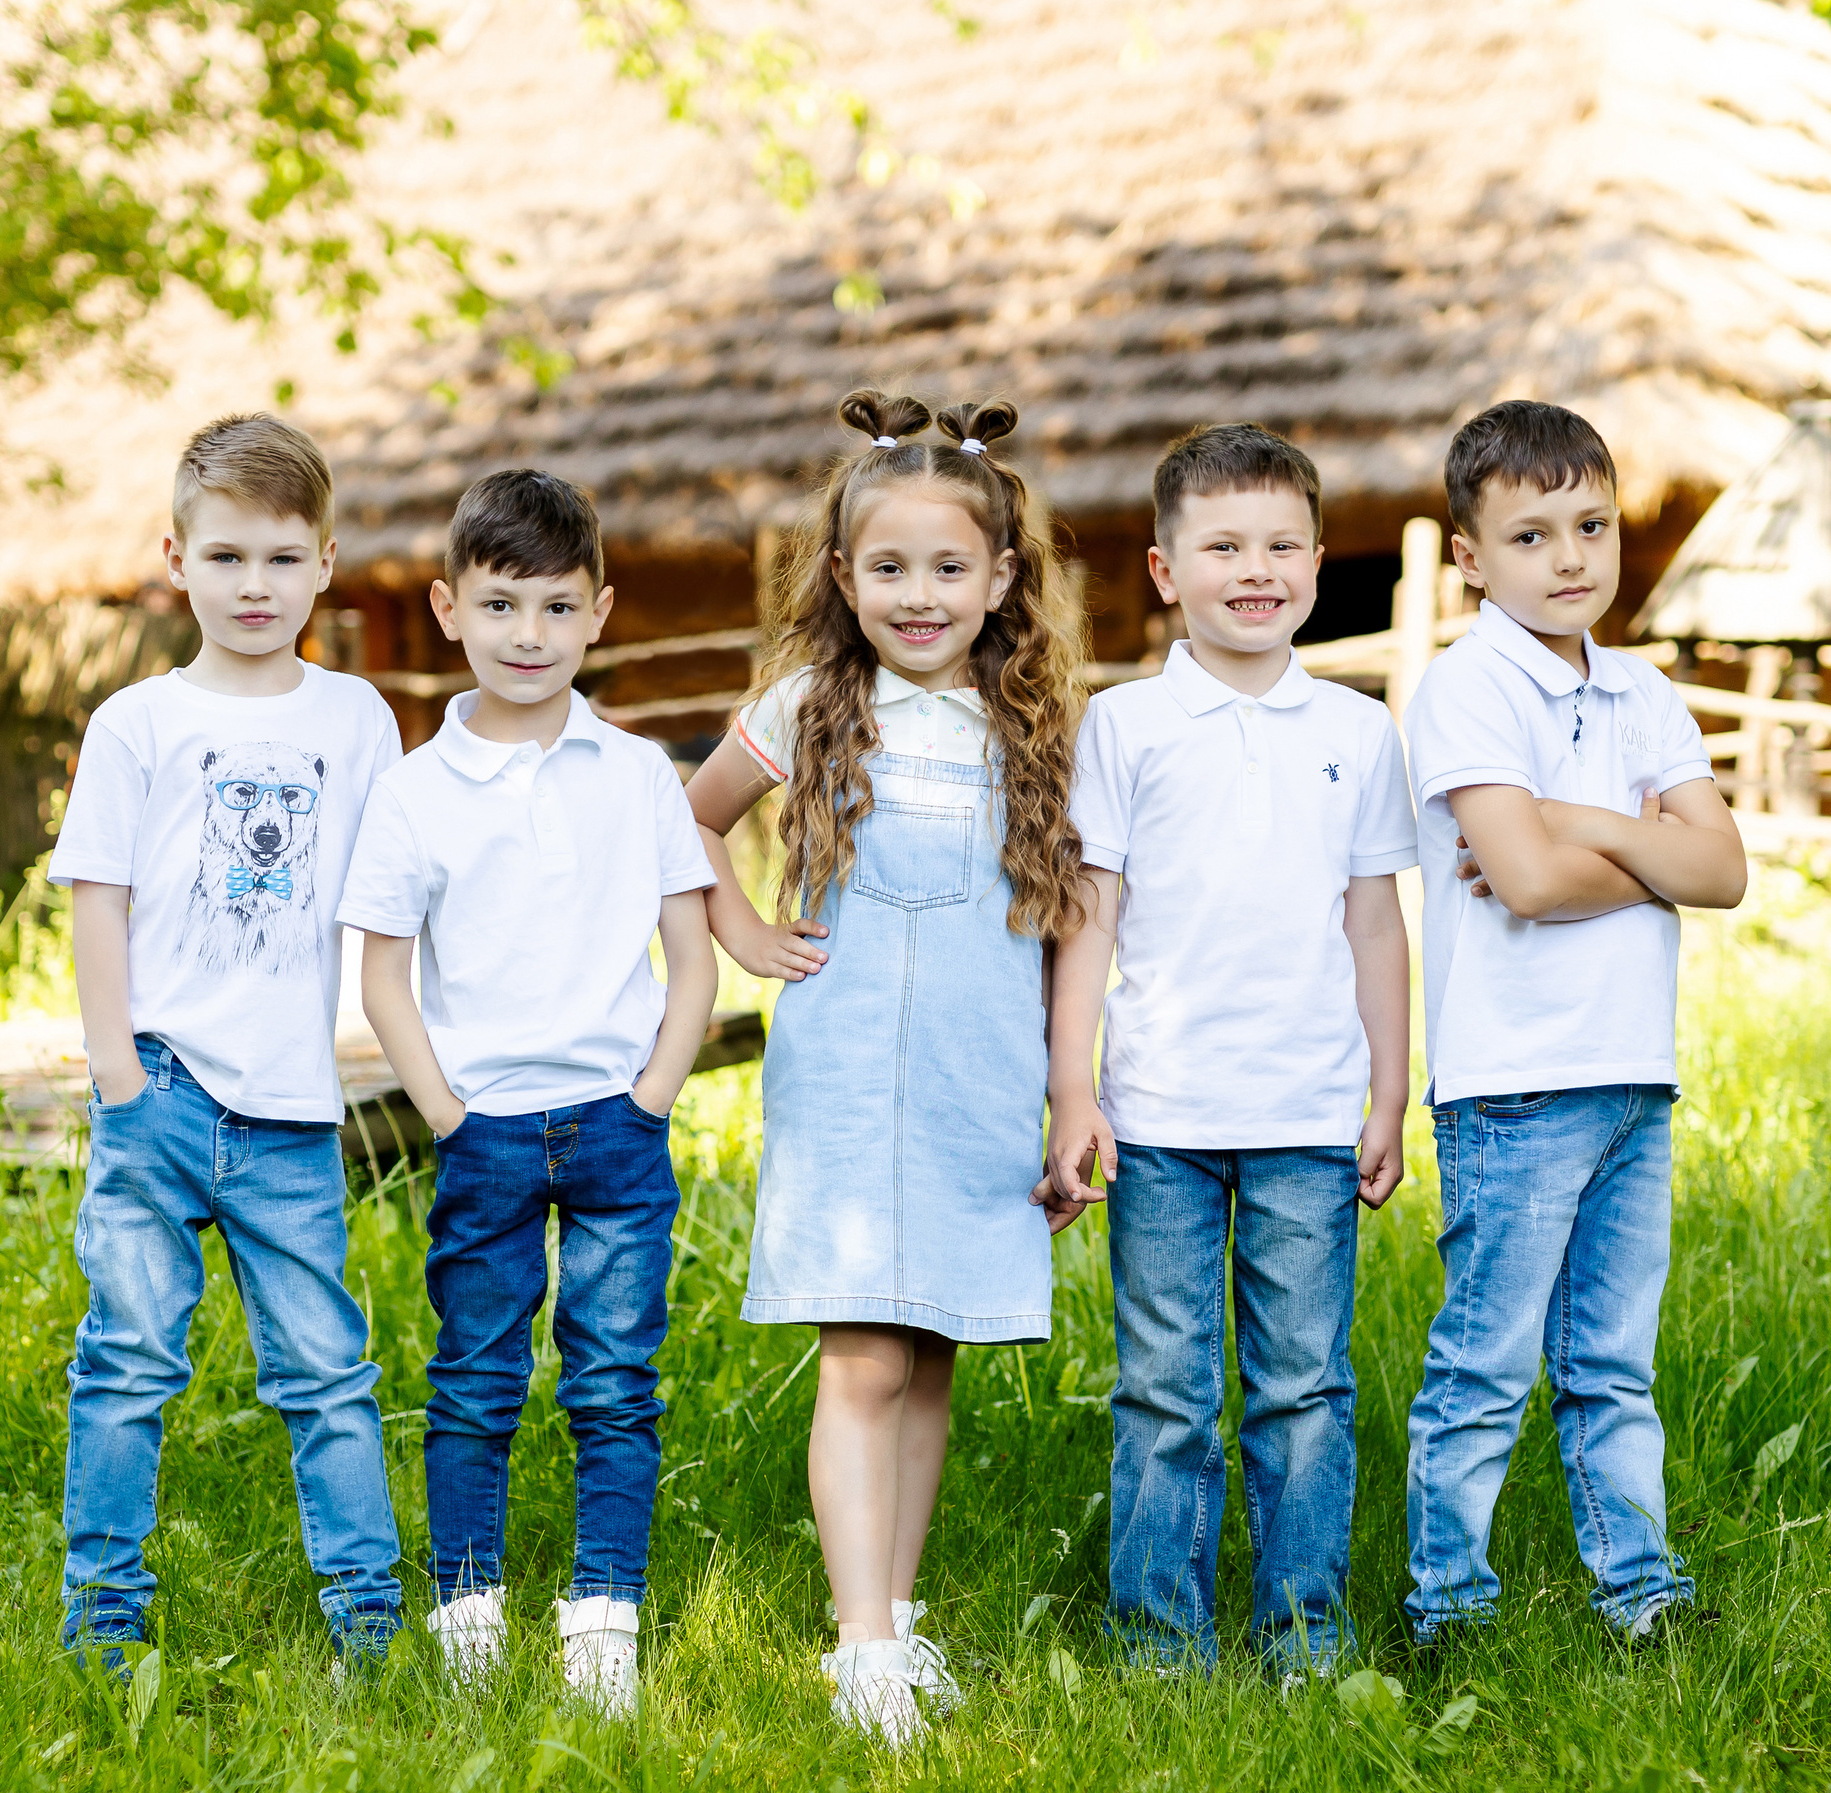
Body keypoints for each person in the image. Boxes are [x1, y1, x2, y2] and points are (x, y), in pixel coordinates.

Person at [684, 391, 1091, 1749]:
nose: (919, 596)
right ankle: (858, 1650)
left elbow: (1076, 923)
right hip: (851, 1077)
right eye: (889, 568)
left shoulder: (1029, 726)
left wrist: (1070, 1094)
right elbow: (683, 820)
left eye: (949, 568)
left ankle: (898, 1617)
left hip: (981, 1078)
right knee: (860, 1351)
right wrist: (742, 928)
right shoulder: (809, 703)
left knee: (928, 1355)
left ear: (1002, 579)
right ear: (843, 575)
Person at [339, 469, 718, 1717]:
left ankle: (603, 1618)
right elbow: (384, 973)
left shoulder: (637, 771)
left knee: (615, 1377)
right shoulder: (413, 790)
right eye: (501, 606)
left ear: (600, 611)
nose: (528, 637)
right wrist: (448, 1111)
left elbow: (689, 945)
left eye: (557, 609)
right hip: (487, 1130)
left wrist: (654, 1088)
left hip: (617, 1124)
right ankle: (468, 1613)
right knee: (477, 1374)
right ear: (448, 607)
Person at [1044, 423, 1416, 1679]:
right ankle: (1159, 1637)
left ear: (1318, 561)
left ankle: (1307, 1631)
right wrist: (1073, 1087)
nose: (1253, 569)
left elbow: (1374, 921)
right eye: (1221, 547)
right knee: (1162, 1388)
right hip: (1158, 1115)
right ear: (1163, 570)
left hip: (1309, 1112)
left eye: (1279, 545)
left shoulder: (1360, 733)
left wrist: (1389, 1091)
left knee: (1304, 1387)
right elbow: (1090, 918)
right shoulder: (1126, 726)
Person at [51, 413, 405, 1676]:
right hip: (160, 1087)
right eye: (225, 558)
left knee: (325, 1372)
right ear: (176, 558)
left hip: (291, 1109)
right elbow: (100, 897)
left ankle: (369, 1616)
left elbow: (394, 890)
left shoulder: (357, 719)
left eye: (278, 559)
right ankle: (102, 1614)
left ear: (321, 563)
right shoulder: (136, 723)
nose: (252, 587)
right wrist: (117, 1072)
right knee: (128, 1361)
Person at [1400, 399, 1746, 1648]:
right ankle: (1450, 1606)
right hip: (1514, 1080)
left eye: (1590, 525)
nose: (1570, 558)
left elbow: (1725, 873)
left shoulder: (1642, 689)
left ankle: (1639, 1594)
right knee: (1485, 1365)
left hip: (1630, 1071)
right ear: (1469, 557)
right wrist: (1650, 844)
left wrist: (1584, 821)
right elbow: (1526, 886)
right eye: (1532, 534)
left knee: (1612, 1363)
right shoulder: (1465, 687)